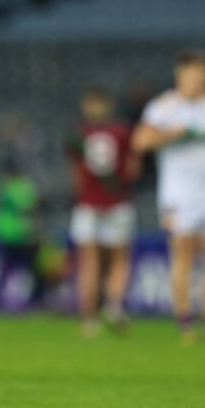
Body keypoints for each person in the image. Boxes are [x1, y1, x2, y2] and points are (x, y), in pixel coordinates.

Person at [133, 49, 205, 340]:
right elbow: (141, 141)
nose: (202, 81)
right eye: (196, 75)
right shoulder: (164, 107)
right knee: (183, 257)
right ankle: (184, 323)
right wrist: (175, 133)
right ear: (181, 75)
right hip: (177, 195)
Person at [66, 89, 140, 336]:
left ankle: (89, 321)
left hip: (87, 203)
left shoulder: (77, 134)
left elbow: (75, 175)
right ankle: (114, 306)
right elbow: (132, 169)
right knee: (119, 259)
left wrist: (82, 194)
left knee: (89, 262)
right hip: (118, 201)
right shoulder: (122, 132)